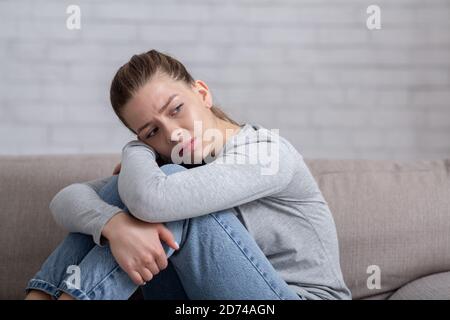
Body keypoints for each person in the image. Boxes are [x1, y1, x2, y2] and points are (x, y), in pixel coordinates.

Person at [25, 49, 352, 300]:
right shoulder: (182, 164)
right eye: (152, 130)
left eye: (176, 109)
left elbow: (154, 200)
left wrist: (137, 149)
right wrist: (113, 226)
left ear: (202, 93)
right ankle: (39, 295)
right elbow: (66, 199)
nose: (173, 135)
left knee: (166, 188)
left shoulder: (267, 153)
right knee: (125, 192)